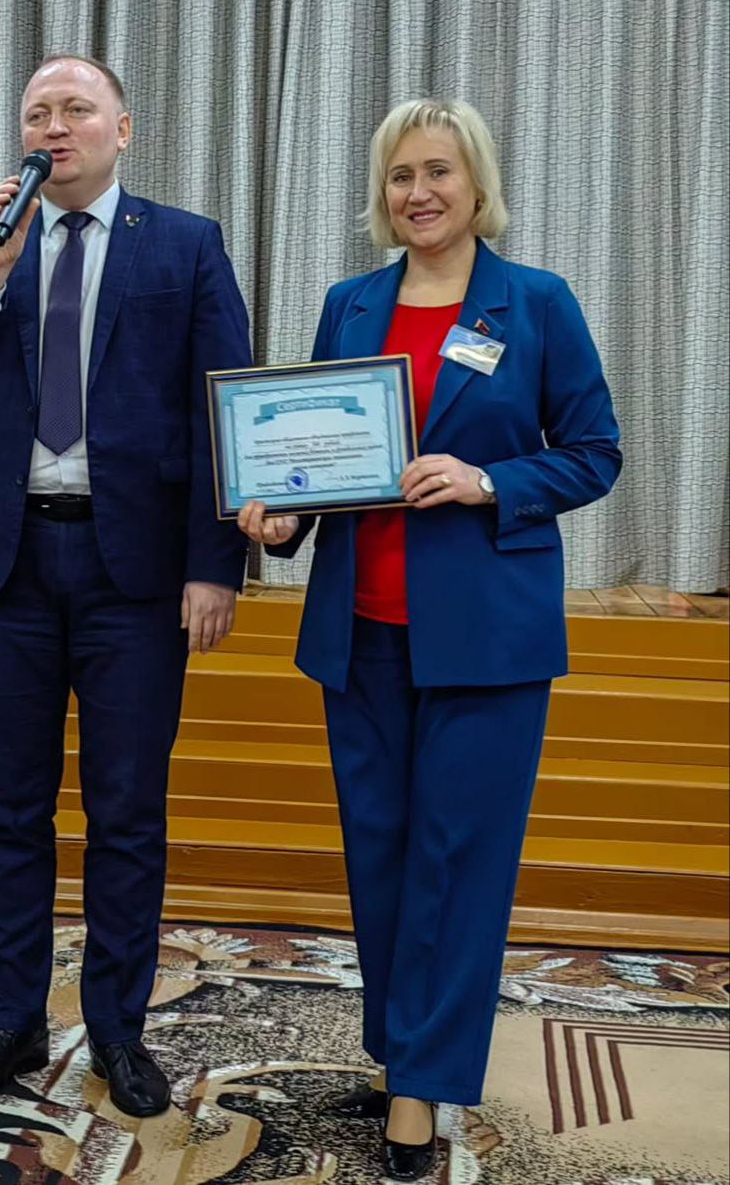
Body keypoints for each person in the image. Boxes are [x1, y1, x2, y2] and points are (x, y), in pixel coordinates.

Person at [239, 99, 621, 1182]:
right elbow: (317, 456)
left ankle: (421, 1086)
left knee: (459, 861)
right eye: (402, 174)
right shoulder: (350, 304)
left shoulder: (534, 302)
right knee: (382, 856)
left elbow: (593, 451)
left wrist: (487, 478)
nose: (419, 192)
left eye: (439, 171)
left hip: (486, 641)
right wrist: (280, 514)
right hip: (359, 632)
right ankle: (401, 1048)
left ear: (476, 183)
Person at [0, 54, 250, 1117]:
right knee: (9, 810)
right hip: (6, 564)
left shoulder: (184, 244)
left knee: (127, 811)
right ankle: (10, 1021)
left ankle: (118, 1030)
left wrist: (214, 563)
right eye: (37, 112)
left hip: (132, 571)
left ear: (121, 129)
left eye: (76, 109)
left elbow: (221, 406)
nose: (54, 127)